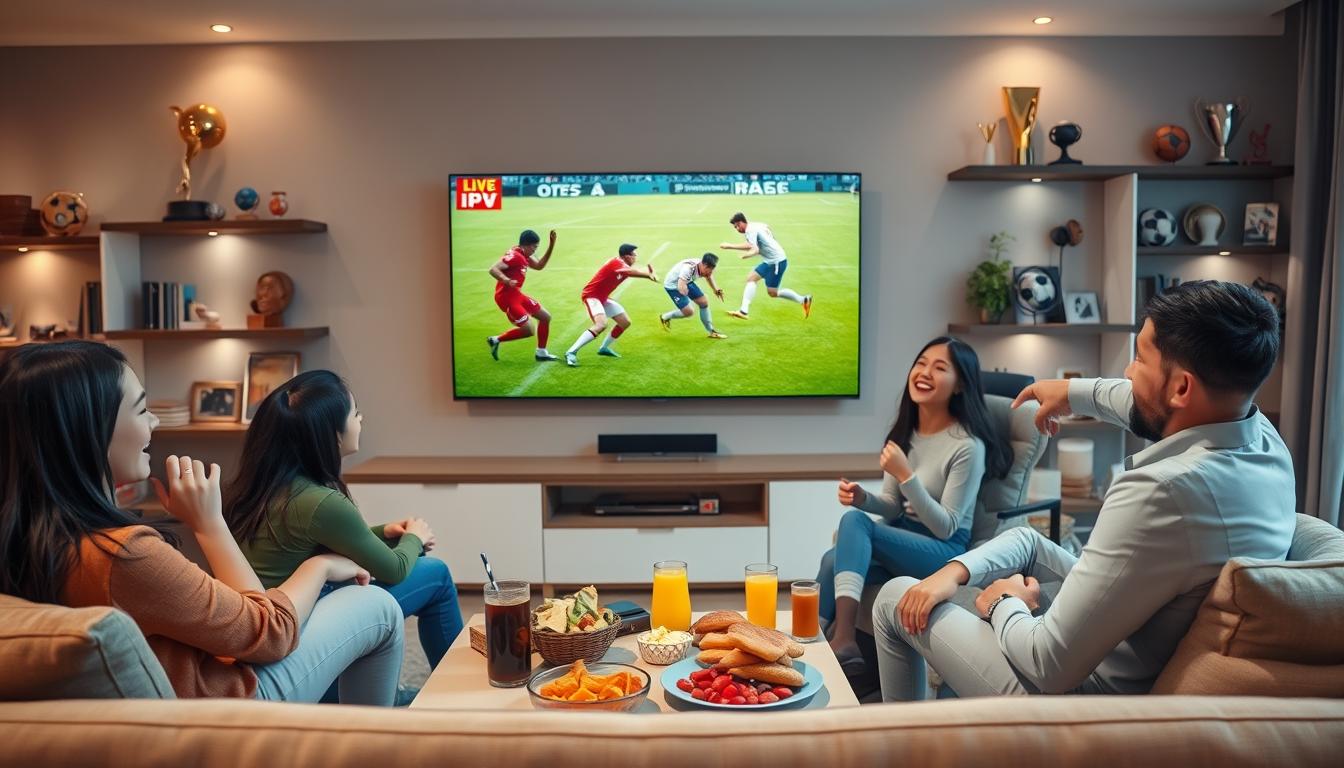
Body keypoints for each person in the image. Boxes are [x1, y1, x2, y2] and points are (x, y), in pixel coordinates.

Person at [873, 280, 1293, 700]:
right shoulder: (1262, 438)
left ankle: (905, 743)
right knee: (1025, 542)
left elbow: (1048, 665)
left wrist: (1003, 603)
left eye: (1139, 360)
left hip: (1081, 697)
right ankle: (952, 574)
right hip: (1130, 633)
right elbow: (1139, 398)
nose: (1127, 373)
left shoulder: (1162, 492)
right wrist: (1071, 392)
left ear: (1182, 388)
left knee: (894, 598)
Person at [0, 341, 403, 704]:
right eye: (142, 409)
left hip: (192, 683)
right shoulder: (123, 554)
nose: (155, 424)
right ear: (89, 430)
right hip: (226, 705)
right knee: (376, 603)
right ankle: (367, 740)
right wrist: (313, 563)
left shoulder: (33, 540)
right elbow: (269, 633)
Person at [225, 370, 463, 670]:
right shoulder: (321, 502)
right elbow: (394, 569)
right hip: (303, 644)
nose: (361, 420)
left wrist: (382, 532)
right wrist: (414, 536)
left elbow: (315, 540)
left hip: (277, 629)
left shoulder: (263, 487)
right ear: (334, 435)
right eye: (355, 413)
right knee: (436, 573)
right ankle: (449, 686)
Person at [817, 337, 1010, 676]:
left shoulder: (967, 446)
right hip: (905, 540)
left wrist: (906, 474)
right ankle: (814, 642)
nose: (924, 372)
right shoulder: (908, 433)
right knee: (833, 559)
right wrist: (865, 498)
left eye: (939, 368)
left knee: (855, 523)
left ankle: (843, 639)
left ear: (960, 384)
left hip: (943, 552)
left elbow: (947, 526)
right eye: (921, 363)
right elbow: (893, 507)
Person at [564, 243, 659, 367]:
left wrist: (646, 272)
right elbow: (629, 272)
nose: (636, 257)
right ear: (627, 256)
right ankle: (571, 352)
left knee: (625, 322)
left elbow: (630, 270)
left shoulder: (622, 264)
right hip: (591, 297)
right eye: (634, 255)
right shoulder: (617, 263)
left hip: (602, 298)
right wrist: (647, 275)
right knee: (601, 324)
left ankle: (603, 348)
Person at [719, 212, 812, 320]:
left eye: (736, 226)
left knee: (769, 290)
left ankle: (743, 311)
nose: (737, 229)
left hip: (776, 262)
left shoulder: (750, 230)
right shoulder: (755, 225)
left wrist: (740, 252)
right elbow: (766, 227)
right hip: (772, 260)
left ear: (741, 222)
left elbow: (754, 248)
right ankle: (803, 300)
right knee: (762, 286)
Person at [487, 228, 559, 361]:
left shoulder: (523, 255)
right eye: (534, 247)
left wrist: (552, 244)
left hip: (516, 295)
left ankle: (541, 352)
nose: (535, 250)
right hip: (507, 298)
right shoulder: (516, 256)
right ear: (527, 245)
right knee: (529, 330)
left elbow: (539, 266)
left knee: (545, 317)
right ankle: (495, 340)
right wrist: (506, 280)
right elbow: (493, 269)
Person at [659, 252, 728, 339]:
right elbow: (681, 286)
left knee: (704, 302)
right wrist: (686, 296)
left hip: (686, 281)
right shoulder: (688, 269)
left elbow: (709, 277)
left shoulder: (704, 267)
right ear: (705, 266)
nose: (709, 274)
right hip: (673, 285)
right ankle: (665, 317)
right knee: (689, 312)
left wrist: (716, 289)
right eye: (709, 271)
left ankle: (712, 332)